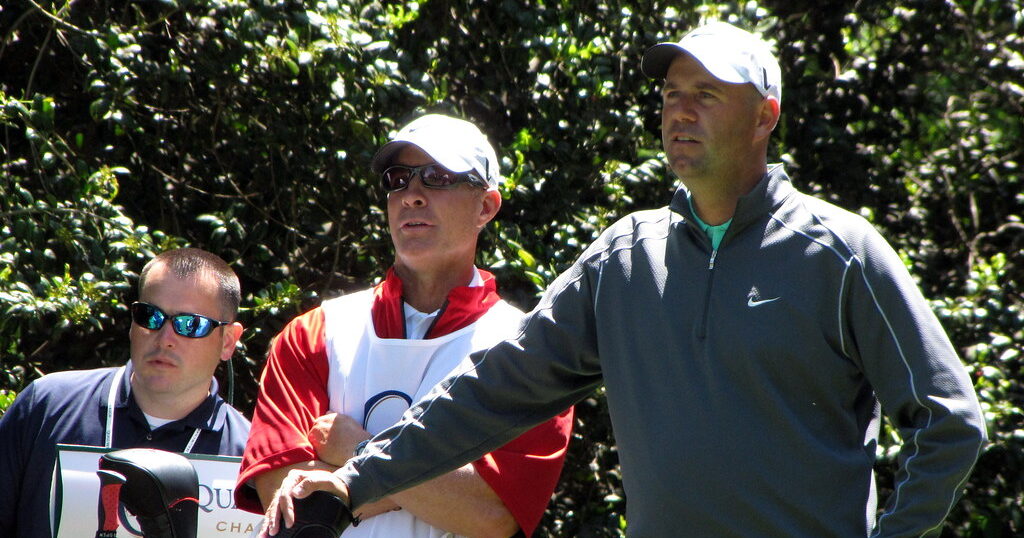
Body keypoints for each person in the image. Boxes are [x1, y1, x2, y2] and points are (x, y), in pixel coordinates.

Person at [265, 22, 988, 537]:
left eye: (707, 93)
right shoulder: (624, 257)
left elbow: (948, 422)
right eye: (674, 92)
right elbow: (492, 392)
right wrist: (359, 476)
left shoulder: (839, 251)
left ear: (765, 116)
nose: (680, 108)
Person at [237, 114, 574, 538]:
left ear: (485, 206)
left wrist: (356, 451)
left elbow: (491, 513)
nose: (411, 195)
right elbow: (282, 497)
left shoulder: (527, 349)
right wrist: (438, 481)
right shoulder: (314, 333)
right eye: (399, 179)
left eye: (436, 177)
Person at [0, 247, 251, 537]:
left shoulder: (249, 457)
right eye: (150, 316)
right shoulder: (46, 405)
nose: (165, 338)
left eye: (190, 324)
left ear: (228, 341)